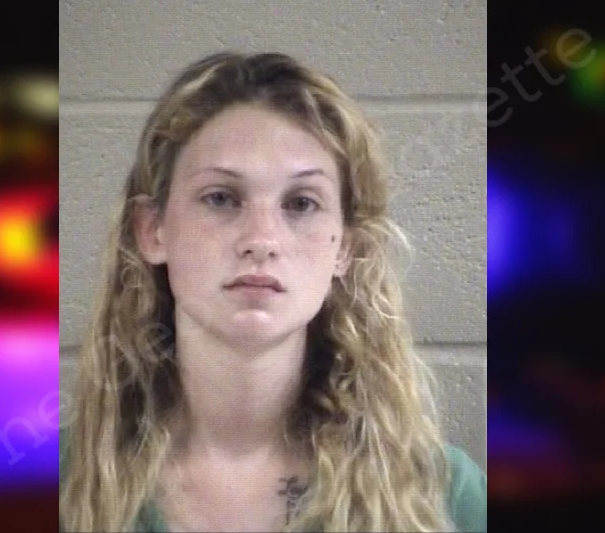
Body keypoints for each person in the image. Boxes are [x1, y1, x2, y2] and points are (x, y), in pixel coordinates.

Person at [59, 51, 486, 532]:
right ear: (153, 230)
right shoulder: (50, 481)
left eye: (301, 203)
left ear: (345, 248)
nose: (261, 239)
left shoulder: (445, 497)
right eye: (221, 198)